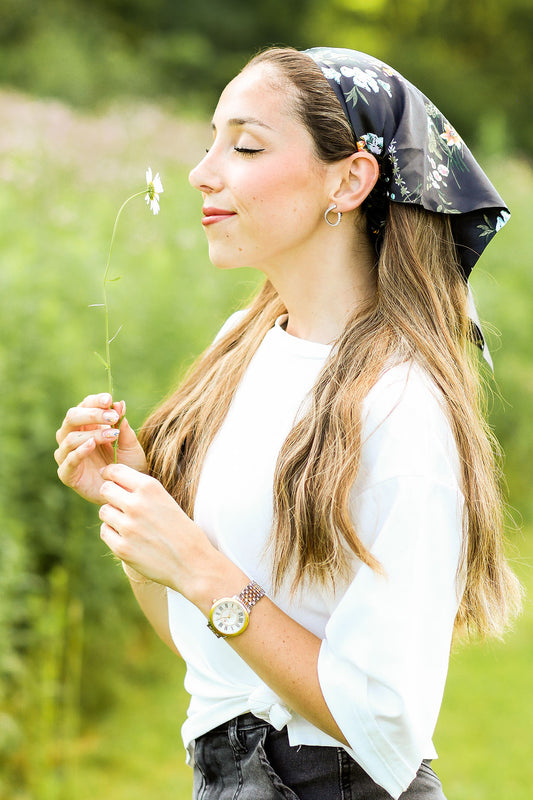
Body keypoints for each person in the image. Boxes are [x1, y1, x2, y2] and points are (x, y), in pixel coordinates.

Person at [54, 46, 522, 799]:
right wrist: (137, 503)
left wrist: (203, 571)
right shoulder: (240, 348)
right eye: (211, 141)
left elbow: (384, 721)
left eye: (244, 146)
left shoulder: (400, 403)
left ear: (349, 178)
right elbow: (213, 656)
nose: (202, 172)